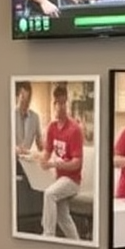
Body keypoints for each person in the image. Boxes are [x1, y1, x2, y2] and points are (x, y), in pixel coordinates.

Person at [40, 83, 83, 240]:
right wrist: (43, 160)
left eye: (64, 103)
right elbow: (47, 150)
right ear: (54, 104)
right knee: (62, 216)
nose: (61, 107)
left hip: (72, 180)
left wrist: (54, 164)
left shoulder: (75, 130)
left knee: (49, 194)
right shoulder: (51, 127)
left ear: (68, 104)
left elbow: (77, 163)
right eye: (58, 103)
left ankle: (47, 236)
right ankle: (77, 244)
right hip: (59, 179)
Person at [13, 79, 43, 173]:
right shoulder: (9, 115)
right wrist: (15, 149)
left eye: (28, 100)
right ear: (17, 97)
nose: (25, 104)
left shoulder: (35, 117)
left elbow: (40, 144)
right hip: (12, 164)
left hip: (27, 166)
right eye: (23, 99)